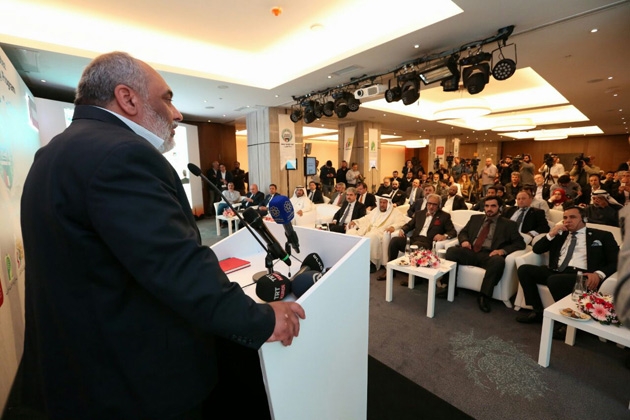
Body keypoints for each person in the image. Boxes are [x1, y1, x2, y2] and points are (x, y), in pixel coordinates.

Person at [16, 52, 305, 419]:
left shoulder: (53, 152)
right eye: (167, 99)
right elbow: (176, 267)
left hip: (77, 369)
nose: (177, 113)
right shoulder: (122, 155)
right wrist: (262, 320)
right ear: (127, 98)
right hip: (131, 382)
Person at [516, 206, 618, 337]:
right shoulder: (560, 235)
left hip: (582, 275)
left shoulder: (602, 235)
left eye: (572, 217)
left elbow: (617, 261)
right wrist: (551, 233)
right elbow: (537, 249)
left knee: (555, 280)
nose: (567, 220)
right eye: (565, 217)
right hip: (557, 271)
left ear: (584, 219)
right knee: (524, 270)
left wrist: (598, 274)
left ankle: (568, 323)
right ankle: (537, 311)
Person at [444, 196, 526, 312]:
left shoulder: (509, 224)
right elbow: (463, 232)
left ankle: (484, 296)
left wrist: (502, 251)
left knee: (498, 261)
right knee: (452, 251)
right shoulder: (475, 218)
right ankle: (450, 287)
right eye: (487, 206)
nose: (489, 209)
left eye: (493, 206)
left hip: (489, 255)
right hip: (471, 251)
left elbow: (520, 243)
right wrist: (464, 241)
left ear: (500, 208)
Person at [377, 194, 457, 284]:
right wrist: (403, 230)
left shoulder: (444, 216)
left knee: (416, 246)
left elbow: (453, 231)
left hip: (427, 242)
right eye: (429, 203)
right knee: (394, 241)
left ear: (439, 205)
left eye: (434, 204)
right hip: (414, 239)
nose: (431, 206)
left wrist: (444, 236)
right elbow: (409, 225)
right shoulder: (419, 214)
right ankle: (390, 271)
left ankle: (415, 277)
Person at [346, 196, 410, 272]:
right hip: (367, 230)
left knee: (371, 236)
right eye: (380, 202)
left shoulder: (395, 212)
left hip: (380, 232)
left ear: (389, 203)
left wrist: (393, 227)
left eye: (384, 203)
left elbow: (402, 222)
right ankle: (352, 259)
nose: (382, 205)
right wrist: (356, 221)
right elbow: (366, 218)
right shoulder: (376, 210)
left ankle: (372, 263)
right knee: (351, 232)